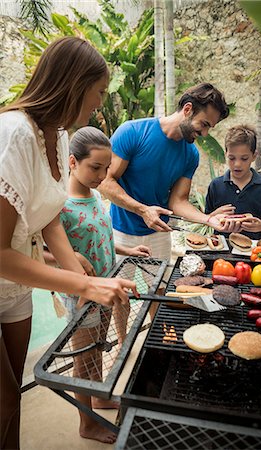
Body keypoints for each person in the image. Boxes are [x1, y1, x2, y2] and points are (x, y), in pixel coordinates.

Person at [0, 36, 139, 449]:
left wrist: (78, 273)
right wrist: (82, 285)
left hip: (15, 289)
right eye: (97, 92)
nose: (98, 104)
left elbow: (48, 219)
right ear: (74, 84)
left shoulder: (58, 136)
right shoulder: (14, 136)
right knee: (5, 398)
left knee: (10, 409)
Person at [45, 125, 151, 412]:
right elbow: (41, 253)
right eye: (95, 167)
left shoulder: (94, 197)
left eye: (106, 168)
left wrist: (128, 249)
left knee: (97, 348)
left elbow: (99, 239)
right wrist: (73, 257)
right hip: (82, 295)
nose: (102, 176)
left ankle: (99, 396)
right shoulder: (61, 207)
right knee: (83, 359)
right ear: (72, 162)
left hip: (105, 288)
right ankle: (86, 422)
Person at [100, 82, 235, 264]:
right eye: (204, 124)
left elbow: (178, 201)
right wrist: (143, 211)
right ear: (188, 109)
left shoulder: (191, 155)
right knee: (118, 291)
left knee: (161, 289)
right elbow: (106, 182)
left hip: (160, 235)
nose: (204, 133)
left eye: (209, 127)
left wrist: (209, 220)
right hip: (121, 233)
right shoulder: (132, 132)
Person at [205, 124, 261, 240]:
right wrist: (215, 215)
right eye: (231, 158)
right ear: (226, 155)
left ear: (254, 156)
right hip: (221, 250)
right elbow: (205, 219)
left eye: (244, 158)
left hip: (253, 252)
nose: (237, 164)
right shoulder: (216, 185)